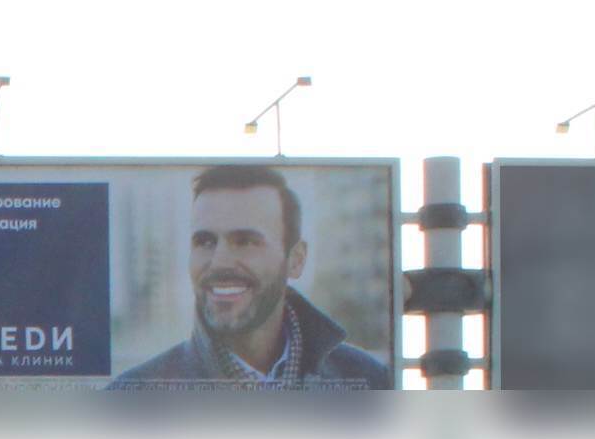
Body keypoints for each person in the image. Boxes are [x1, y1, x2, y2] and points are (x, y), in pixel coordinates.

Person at [109, 165, 394, 388]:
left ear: (295, 260)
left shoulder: (368, 381)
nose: (219, 261)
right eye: (205, 241)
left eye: (245, 241)